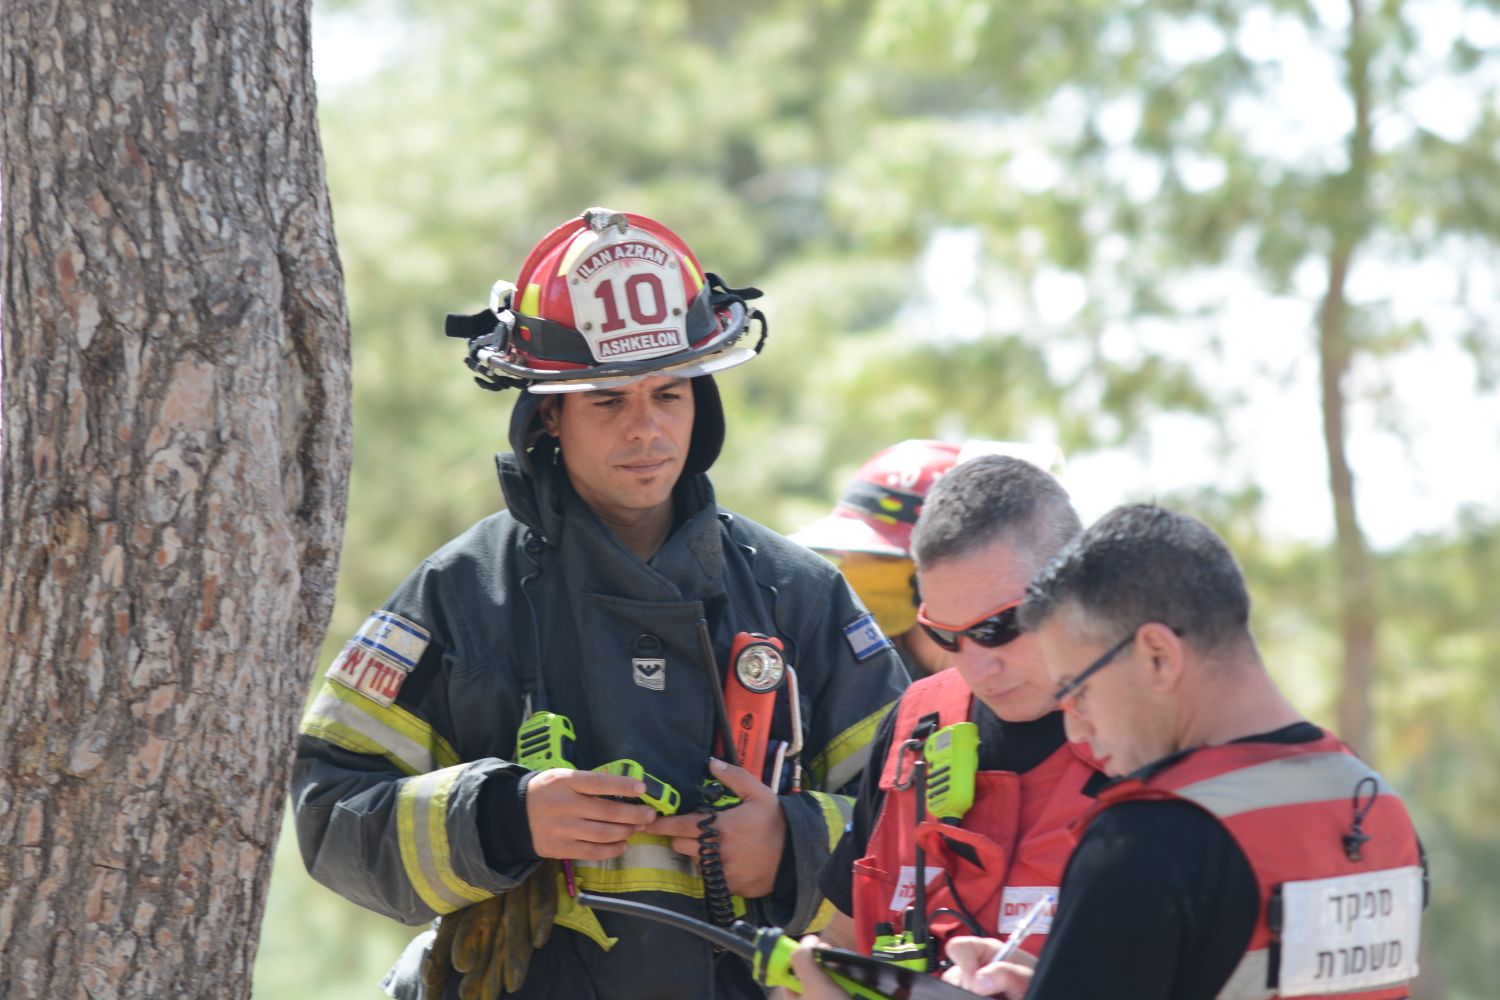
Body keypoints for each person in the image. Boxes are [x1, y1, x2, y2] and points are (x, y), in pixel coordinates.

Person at [290, 208, 908, 1000]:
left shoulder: (799, 597)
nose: (646, 430)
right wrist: (502, 817)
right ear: (549, 413)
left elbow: (915, 822)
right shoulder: (463, 594)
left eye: (670, 395)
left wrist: (792, 848)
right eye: (607, 401)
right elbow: (329, 809)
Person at [794, 503, 1428, 1000]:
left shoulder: (1146, 839)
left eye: (1080, 689)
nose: (1076, 730)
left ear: (1157, 655)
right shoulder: (1376, 810)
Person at [813, 454, 1105, 966]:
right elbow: (843, 938)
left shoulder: (1166, 747)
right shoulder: (913, 725)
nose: (976, 667)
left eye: (998, 628)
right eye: (945, 633)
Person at [791, 440, 1064, 680]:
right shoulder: (860, 677)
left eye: (877, 556)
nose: (848, 570)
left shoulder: (1025, 688)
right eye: (846, 556)